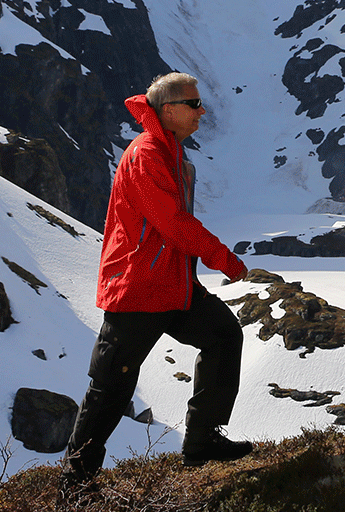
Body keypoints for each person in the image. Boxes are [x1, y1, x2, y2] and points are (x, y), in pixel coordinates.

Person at [62, 73, 254, 488]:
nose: (202, 110)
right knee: (111, 385)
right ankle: (75, 482)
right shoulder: (148, 153)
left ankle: (201, 441)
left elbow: (170, 228)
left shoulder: (168, 150)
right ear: (168, 110)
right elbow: (173, 224)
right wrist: (223, 258)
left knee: (223, 335)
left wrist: (191, 277)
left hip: (170, 286)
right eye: (194, 103)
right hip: (138, 288)